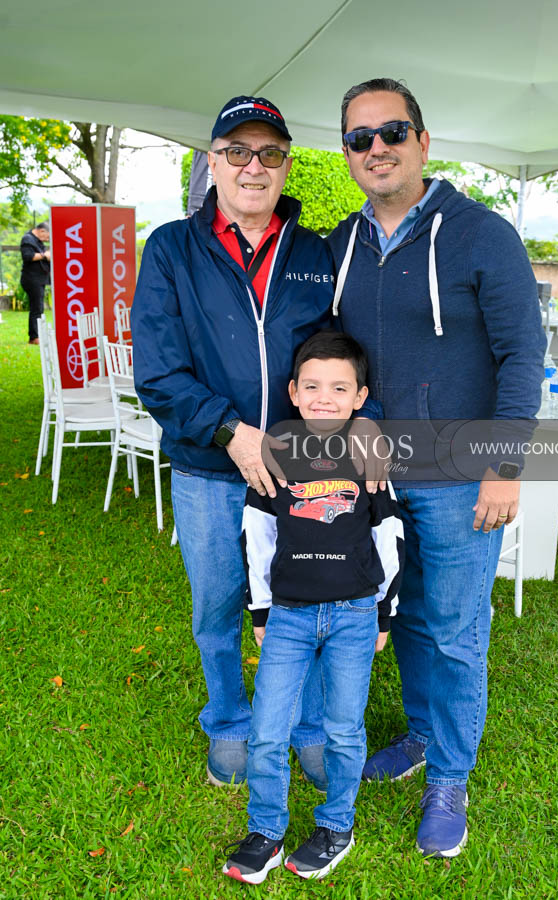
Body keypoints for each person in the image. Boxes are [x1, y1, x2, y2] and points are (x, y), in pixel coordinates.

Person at [327, 78, 546, 859]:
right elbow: (337, 354)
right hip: (379, 479)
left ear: (422, 141)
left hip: (460, 478)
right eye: (358, 138)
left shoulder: (482, 235)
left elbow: (522, 354)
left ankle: (450, 778)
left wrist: (504, 464)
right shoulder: (342, 244)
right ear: (347, 153)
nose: (375, 148)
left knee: (455, 631)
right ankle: (421, 734)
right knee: (410, 615)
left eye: (391, 132)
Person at [132, 95, 335, 789]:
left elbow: (336, 357)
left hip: (300, 468)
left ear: (286, 166)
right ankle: (228, 720)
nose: (255, 166)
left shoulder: (315, 252)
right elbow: (157, 373)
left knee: (304, 599)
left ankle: (308, 725)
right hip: (208, 470)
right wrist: (231, 432)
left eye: (270, 153)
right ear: (213, 162)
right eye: (238, 151)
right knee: (218, 604)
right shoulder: (171, 249)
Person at [223, 331, 404, 884]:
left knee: (343, 731)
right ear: (294, 392)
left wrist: (384, 613)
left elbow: (389, 535)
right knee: (267, 730)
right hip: (289, 616)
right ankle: (265, 831)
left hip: (354, 614)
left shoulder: (368, 456)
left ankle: (336, 827)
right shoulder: (276, 454)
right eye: (313, 386)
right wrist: (260, 611)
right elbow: (257, 536)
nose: (325, 398)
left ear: (360, 397)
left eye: (339, 388)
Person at [20, 222, 51, 344]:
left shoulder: (38, 241)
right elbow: (27, 256)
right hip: (32, 279)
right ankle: (34, 337)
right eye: (47, 237)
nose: (47, 240)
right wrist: (44, 255)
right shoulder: (27, 239)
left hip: (39, 279)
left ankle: (37, 334)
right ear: (42, 231)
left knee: (39, 307)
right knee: (36, 307)